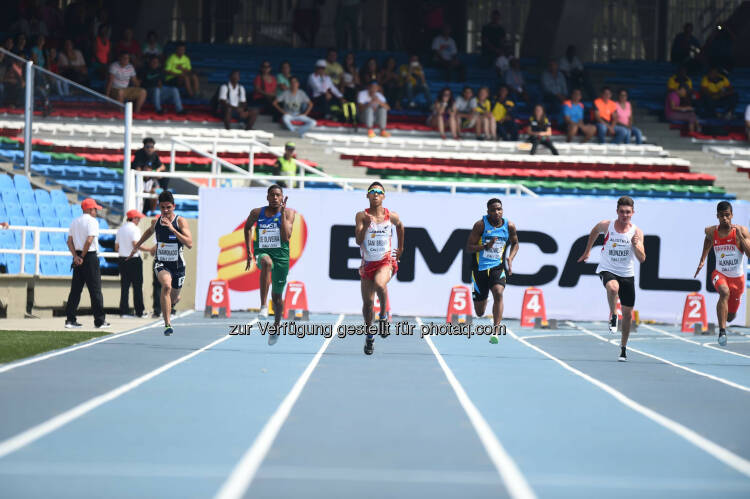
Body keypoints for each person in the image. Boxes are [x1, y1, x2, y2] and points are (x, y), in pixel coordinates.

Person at [577, 196, 646, 361]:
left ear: (633, 213)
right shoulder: (607, 225)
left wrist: (636, 245)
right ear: (617, 211)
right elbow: (594, 232)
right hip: (607, 269)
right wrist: (587, 251)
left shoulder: (637, 232)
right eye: (622, 212)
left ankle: (623, 348)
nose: (625, 215)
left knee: (628, 315)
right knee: (613, 288)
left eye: (628, 212)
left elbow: (642, 258)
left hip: (627, 274)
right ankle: (614, 314)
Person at [128, 191, 193, 336]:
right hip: (161, 262)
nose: (165, 211)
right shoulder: (156, 222)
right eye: (162, 207)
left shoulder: (180, 221)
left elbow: (189, 244)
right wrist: (136, 246)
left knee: (174, 296)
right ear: (159, 207)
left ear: (173, 206)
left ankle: (174, 301)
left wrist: (172, 229)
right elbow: (148, 232)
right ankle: (167, 324)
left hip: (178, 265)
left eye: (168, 207)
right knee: (166, 286)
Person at [355, 182, 404, 355]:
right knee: (367, 304)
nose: (375, 194)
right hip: (368, 264)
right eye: (372, 192)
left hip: (385, 261)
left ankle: (383, 317)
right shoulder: (362, 216)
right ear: (367, 196)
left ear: (383, 196)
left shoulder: (391, 216)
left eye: (379, 192)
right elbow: (358, 241)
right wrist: (367, 225)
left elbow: (400, 226)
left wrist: (401, 248)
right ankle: (369, 336)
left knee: (380, 284)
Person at [243, 185, 296, 345]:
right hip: (262, 253)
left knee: (278, 298)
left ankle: (276, 326)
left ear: (282, 197)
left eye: (277, 195)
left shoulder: (289, 213)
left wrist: (281, 216)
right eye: (272, 195)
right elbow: (247, 228)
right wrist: (249, 252)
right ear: (267, 197)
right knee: (266, 262)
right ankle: (263, 306)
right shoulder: (257, 213)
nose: (274, 198)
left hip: (282, 258)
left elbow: (286, 237)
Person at [694, 201, 750, 346]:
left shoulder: (741, 230)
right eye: (721, 216)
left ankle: (727, 320)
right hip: (720, 274)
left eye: (727, 215)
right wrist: (702, 259)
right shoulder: (712, 231)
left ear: (732, 215)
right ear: (717, 216)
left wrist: (740, 237)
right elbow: (707, 240)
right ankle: (722, 331)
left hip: (738, 280)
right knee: (724, 292)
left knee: (731, 316)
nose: (725, 218)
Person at [465, 198, 518, 343]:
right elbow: (469, 247)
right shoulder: (480, 225)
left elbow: (515, 244)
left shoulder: (509, 226)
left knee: (499, 293)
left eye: (499, 209)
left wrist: (510, 258)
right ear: (488, 211)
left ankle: (495, 330)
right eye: (493, 210)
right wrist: (485, 247)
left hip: (497, 267)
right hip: (480, 269)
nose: (497, 212)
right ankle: (484, 299)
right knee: (480, 312)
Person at [65, 198, 109, 329]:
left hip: (78, 255)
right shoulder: (92, 221)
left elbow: (69, 242)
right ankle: (99, 321)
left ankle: (70, 320)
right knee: (95, 290)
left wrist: (76, 257)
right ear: (89, 209)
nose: (96, 211)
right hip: (89, 256)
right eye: (95, 209)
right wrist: (82, 256)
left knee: (75, 290)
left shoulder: (75, 221)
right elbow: (90, 240)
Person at [116, 209, 147, 318]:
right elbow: (135, 244)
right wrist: (149, 249)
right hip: (133, 259)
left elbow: (116, 247)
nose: (139, 220)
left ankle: (123, 311)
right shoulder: (135, 229)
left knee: (124, 286)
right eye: (138, 218)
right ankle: (139, 311)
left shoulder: (120, 229)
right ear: (133, 218)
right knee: (137, 286)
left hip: (122, 259)